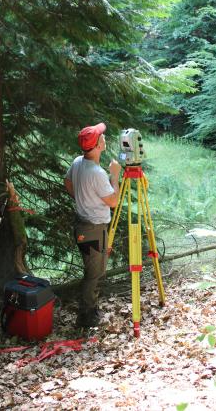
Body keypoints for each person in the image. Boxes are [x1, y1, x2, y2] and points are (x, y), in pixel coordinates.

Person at [64, 122, 121, 327]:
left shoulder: (78, 161)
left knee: (93, 271)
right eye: (101, 136)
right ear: (97, 145)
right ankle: (87, 317)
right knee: (94, 273)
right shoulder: (97, 174)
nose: (104, 137)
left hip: (83, 227)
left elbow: (67, 183)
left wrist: (82, 199)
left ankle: (90, 311)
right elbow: (114, 202)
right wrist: (115, 175)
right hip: (93, 230)